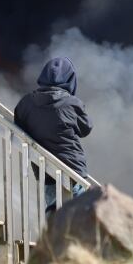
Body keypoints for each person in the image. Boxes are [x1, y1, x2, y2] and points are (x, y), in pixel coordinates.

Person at [14, 57, 92, 212]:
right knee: (80, 215)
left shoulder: (26, 103)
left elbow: (19, 127)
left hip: (45, 170)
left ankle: (54, 233)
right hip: (73, 170)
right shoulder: (72, 103)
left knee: (54, 212)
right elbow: (86, 129)